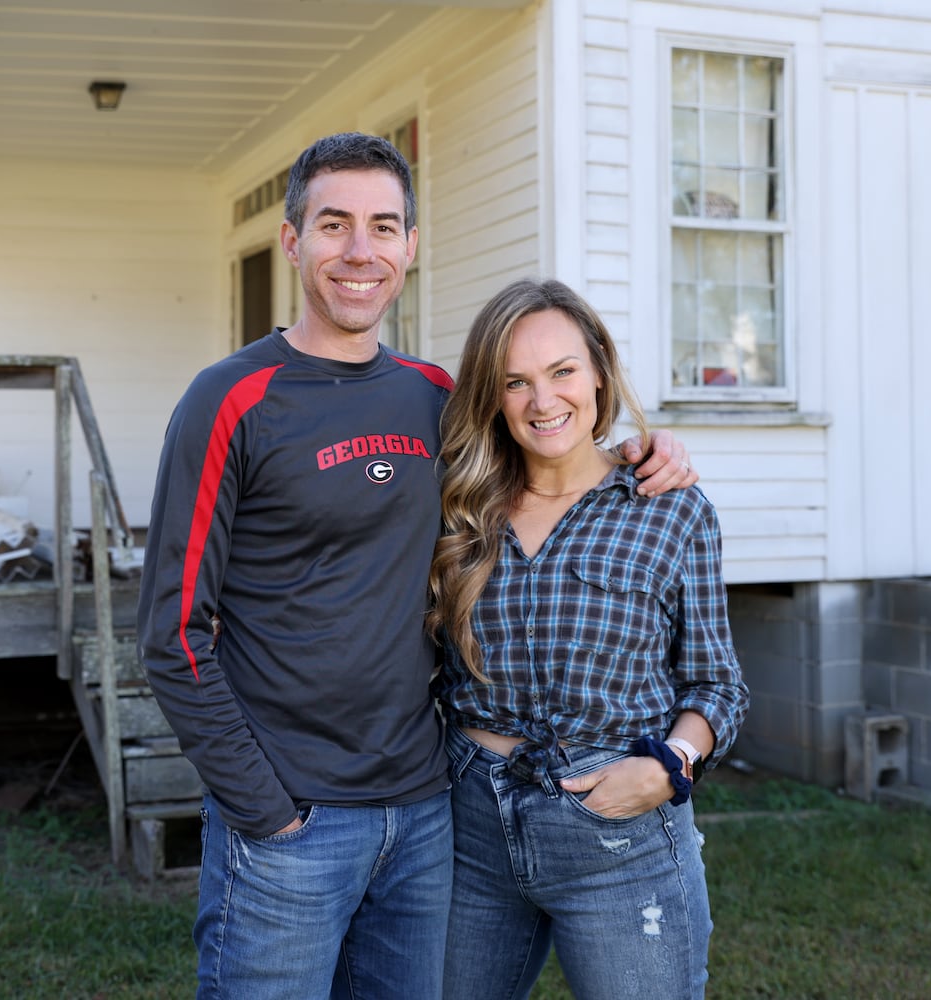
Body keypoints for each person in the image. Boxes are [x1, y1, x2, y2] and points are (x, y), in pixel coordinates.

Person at [136, 134, 696, 1000]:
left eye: (383, 226)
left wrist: (639, 453)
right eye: (334, 225)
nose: (359, 251)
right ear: (292, 241)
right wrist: (263, 809)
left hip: (426, 811)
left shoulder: (434, 399)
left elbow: (541, 450)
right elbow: (173, 632)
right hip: (292, 815)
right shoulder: (230, 399)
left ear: (410, 246)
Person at [429, 278, 749, 1000]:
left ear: (598, 370)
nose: (543, 402)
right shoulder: (457, 507)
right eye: (516, 382)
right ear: (492, 396)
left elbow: (717, 686)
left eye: (562, 371)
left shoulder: (668, 508)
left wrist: (671, 763)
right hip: (468, 828)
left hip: (619, 833)